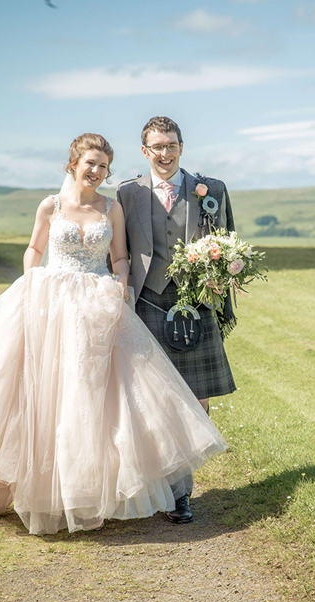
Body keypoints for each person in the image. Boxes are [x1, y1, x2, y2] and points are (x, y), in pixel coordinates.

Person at [0, 133, 228, 535]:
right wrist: (32, 280)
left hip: (98, 300)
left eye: (103, 167)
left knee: (100, 395)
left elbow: (120, 255)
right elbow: (34, 250)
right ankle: (42, 488)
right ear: (73, 163)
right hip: (52, 300)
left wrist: (121, 283)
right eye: (91, 164)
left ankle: (96, 489)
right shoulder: (50, 205)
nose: (97, 172)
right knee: (45, 392)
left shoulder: (112, 207)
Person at [116, 116, 236, 524]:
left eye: (171, 145)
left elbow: (227, 241)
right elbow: (116, 253)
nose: (164, 154)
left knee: (196, 403)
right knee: (155, 403)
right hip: (148, 303)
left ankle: (180, 485)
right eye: (156, 147)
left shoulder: (211, 189)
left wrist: (220, 286)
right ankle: (173, 493)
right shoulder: (127, 193)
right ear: (144, 151)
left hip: (197, 304)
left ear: (181, 147)